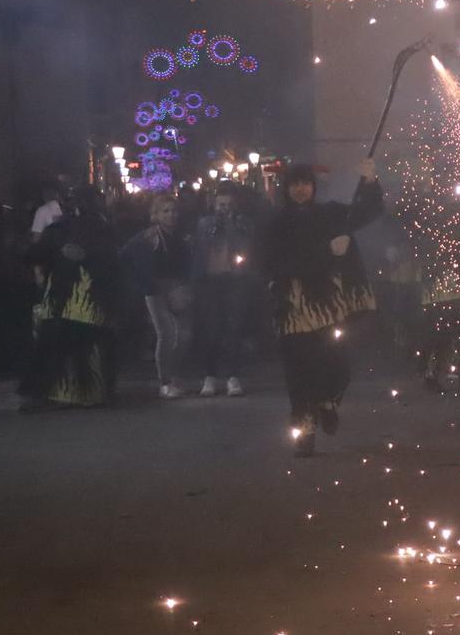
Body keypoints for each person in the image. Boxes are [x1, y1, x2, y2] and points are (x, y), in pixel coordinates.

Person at [259, 160, 382, 456]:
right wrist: (326, 251)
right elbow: (277, 263)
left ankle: (327, 403)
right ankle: (304, 432)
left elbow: (365, 212)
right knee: (299, 375)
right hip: (293, 310)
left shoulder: (329, 214)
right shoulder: (275, 224)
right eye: (294, 184)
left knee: (337, 365)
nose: (300, 189)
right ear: (286, 189)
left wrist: (369, 181)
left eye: (305, 183)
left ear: (313, 186)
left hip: (328, 307)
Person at [21, 185, 120, 408]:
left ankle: (57, 393)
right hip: (75, 298)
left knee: (64, 344)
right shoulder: (90, 229)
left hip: (81, 298)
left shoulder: (83, 229)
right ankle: (68, 393)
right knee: (68, 344)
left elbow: (34, 254)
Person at [120, 193, 193, 398]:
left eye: (174, 211)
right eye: (166, 211)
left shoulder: (182, 236)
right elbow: (125, 256)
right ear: (156, 215)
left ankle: (174, 373)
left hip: (178, 287)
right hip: (155, 290)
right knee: (167, 333)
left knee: (185, 334)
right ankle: (165, 381)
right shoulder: (148, 237)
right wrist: (140, 282)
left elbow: (188, 262)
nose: (171, 215)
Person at [192, 182, 256, 394]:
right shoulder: (205, 223)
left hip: (235, 280)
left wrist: (231, 224)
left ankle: (232, 376)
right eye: (221, 204)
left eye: (228, 204)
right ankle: (209, 376)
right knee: (210, 329)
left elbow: (247, 245)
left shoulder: (242, 223)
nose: (224, 208)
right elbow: (201, 247)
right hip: (210, 281)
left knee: (233, 329)